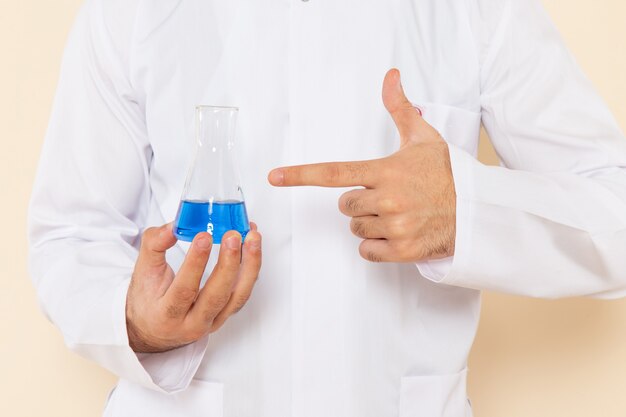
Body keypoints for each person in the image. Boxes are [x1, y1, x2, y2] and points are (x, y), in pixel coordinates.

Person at [28, 0, 626, 416]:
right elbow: (70, 234)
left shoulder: (478, 10)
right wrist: (135, 323)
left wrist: (463, 208)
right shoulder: (129, 12)